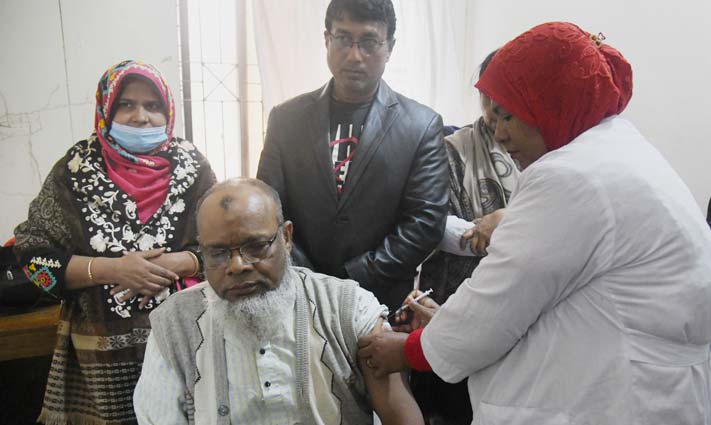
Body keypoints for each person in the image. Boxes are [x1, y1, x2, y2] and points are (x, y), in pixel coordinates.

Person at [359, 22, 711, 424]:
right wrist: (446, 322)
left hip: (617, 400)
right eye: (492, 117)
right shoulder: (620, 150)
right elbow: (562, 301)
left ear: (549, 103)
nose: (500, 133)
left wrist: (408, 350)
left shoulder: (572, 176)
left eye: (509, 116)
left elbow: (496, 308)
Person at [13, 60, 216, 424]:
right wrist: (112, 270)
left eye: (152, 106)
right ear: (106, 110)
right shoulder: (74, 170)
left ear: (168, 112)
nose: (141, 117)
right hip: (100, 360)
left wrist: (180, 262)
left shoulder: (193, 168)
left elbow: (225, 246)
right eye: (126, 104)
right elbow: (31, 258)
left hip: (187, 344)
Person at [133, 178, 423, 425]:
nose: (237, 266)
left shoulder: (347, 307)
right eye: (218, 253)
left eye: (256, 246)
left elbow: (401, 416)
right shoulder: (173, 324)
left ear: (286, 237)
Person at [256, 0, 448, 310]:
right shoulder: (286, 119)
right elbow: (268, 210)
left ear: (390, 47)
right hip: (298, 298)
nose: (354, 55)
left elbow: (425, 223)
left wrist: (352, 277)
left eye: (369, 42)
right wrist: (309, 279)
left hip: (381, 303)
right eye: (343, 39)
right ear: (327, 40)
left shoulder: (421, 126)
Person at [413, 49, 520, 425]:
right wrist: (489, 232)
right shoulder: (452, 149)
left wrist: (507, 223)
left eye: (506, 104)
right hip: (455, 305)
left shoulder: (544, 151)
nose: (495, 115)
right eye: (489, 101)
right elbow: (432, 222)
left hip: (518, 314)